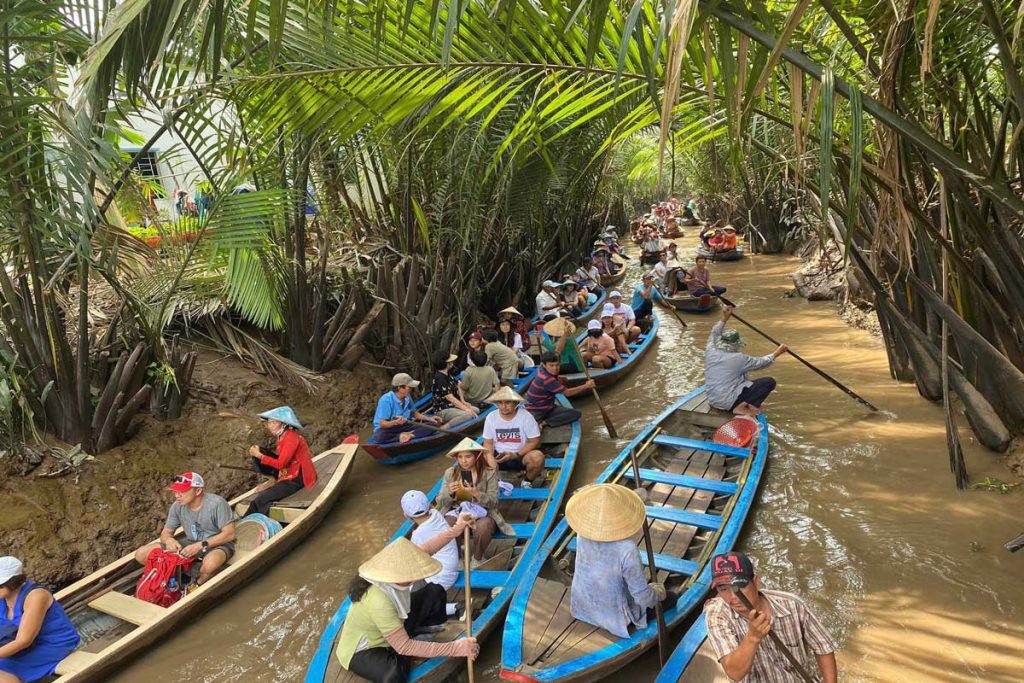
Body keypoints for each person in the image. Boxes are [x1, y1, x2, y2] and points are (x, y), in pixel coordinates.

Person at [333, 539, 479, 683]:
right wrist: (454, 648)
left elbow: (427, 548)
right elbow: (404, 647)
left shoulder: (388, 571)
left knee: (435, 592)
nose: (415, 576)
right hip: (365, 649)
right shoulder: (379, 600)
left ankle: (414, 639)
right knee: (394, 675)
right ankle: (411, 645)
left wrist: (457, 528)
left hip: (393, 623)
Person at [704, 551, 838, 683]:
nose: (733, 597)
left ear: (756, 582)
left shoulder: (792, 605)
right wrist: (752, 637)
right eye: (723, 589)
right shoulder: (718, 617)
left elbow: (823, 648)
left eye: (739, 586)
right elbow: (734, 673)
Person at [565, 485, 671, 638]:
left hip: (582, 607)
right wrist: (658, 593)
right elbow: (642, 597)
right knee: (671, 597)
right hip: (614, 617)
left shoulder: (583, 534)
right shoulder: (627, 550)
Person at [133, 472, 236, 587]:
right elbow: (166, 533)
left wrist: (200, 545)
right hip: (190, 542)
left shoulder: (217, 504)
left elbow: (229, 534)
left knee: (210, 564)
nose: (177, 496)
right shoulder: (177, 506)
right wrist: (169, 541)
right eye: (176, 492)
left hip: (217, 545)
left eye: (182, 492)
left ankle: (198, 584)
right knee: (141, 554)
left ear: (198, 491)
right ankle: (174, 576)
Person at [400, 491, 476, 632]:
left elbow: (416, 560)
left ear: (406, 515)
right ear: (429, 506)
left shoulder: (418, 535)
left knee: (410, 598)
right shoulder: (435, 514)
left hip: (440, 577)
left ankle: (456, 607)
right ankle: (456, 607)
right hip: (451, 567)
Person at [0, 557, 79, 683]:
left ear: (12, 582)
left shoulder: (36, 596)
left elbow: (24, 641)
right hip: (24, 645)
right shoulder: (3, 599)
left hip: (52, 645)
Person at [705, 308, 787, 416]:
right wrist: (777, 353)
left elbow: (714, 333)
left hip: (713, 399)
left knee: (745, 381)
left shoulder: (711, 349)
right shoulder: (738, 358)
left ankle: (746, 403)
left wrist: (725, 318)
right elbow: (761, 363)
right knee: (768, 382)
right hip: (727, 402)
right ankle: (740, 408)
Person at [436, 438, 502, 564]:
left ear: (477, 456)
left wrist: (477, 494)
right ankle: (457, 557)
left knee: (483, 527)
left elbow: (494, 502)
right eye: (460, 457)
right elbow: (441, 501)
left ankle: (477, 557)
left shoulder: (489, 473)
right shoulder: (451, 473)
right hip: (458, 510)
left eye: (468, 456)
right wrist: (449, 493)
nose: (463, 461)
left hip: (483, 512)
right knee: (447, 524)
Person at [246, 406, 317, 517]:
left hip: (298, 476)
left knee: (261, 499)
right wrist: (259, 454)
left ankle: (247, 523)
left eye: (274, 423)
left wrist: (260, 456)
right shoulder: (281, 435)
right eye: (269, 423)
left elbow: (280, 464)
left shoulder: (291, 437)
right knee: (259, 450)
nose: (271, 426)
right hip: (287, 469)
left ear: (284, 423)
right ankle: (273, 479)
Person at [481, 386, 545, 485]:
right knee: (473, 456)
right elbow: (488, 442)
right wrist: (491, 459)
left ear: (515, 403)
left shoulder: (526, 417)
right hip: (499, 455)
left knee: (538, 457)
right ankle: (494, 482)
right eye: (500, 403)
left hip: (520, 455)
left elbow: (534, 441)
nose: (503, 406)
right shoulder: (491, 417)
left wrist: (515, 455)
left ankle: (527, 481)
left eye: (507, 402)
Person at [525, 351, 594, 427]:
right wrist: (586, 386)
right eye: (551, 365)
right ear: (544, 365)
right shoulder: (547, 379)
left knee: (573, 413)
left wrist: (558, 378)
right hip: (537, 410)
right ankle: (544, 423)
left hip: (543, 406)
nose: (555, 368)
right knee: (576, 414)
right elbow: (567, 393)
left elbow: (551, 378)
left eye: (557, 365)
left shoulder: (540, 369)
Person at [372, 373, 442, 444]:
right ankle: (400, 436)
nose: (411, 389)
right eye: (409, 387)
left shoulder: (407, 397)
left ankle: (409, 435)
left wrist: (430, 419)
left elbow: (414, 413)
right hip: (388, 429)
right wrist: (395, 422)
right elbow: (382, 423)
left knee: (435, 424)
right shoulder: (386, 400)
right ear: (400, 388)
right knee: (379, 436)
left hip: (404, 426)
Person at [429, 350, 478, 427]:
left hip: (452, 405)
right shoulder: (439, 378)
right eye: (450, 361)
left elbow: (458, 385)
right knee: (468, 414)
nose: (452, 362)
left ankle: (456, 418)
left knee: (475, 410)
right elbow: (450, 397)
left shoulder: (447, 373)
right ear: (446, 363)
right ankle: (446, 427)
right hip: (443, 409)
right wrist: (466, 409)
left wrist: (463, 401)